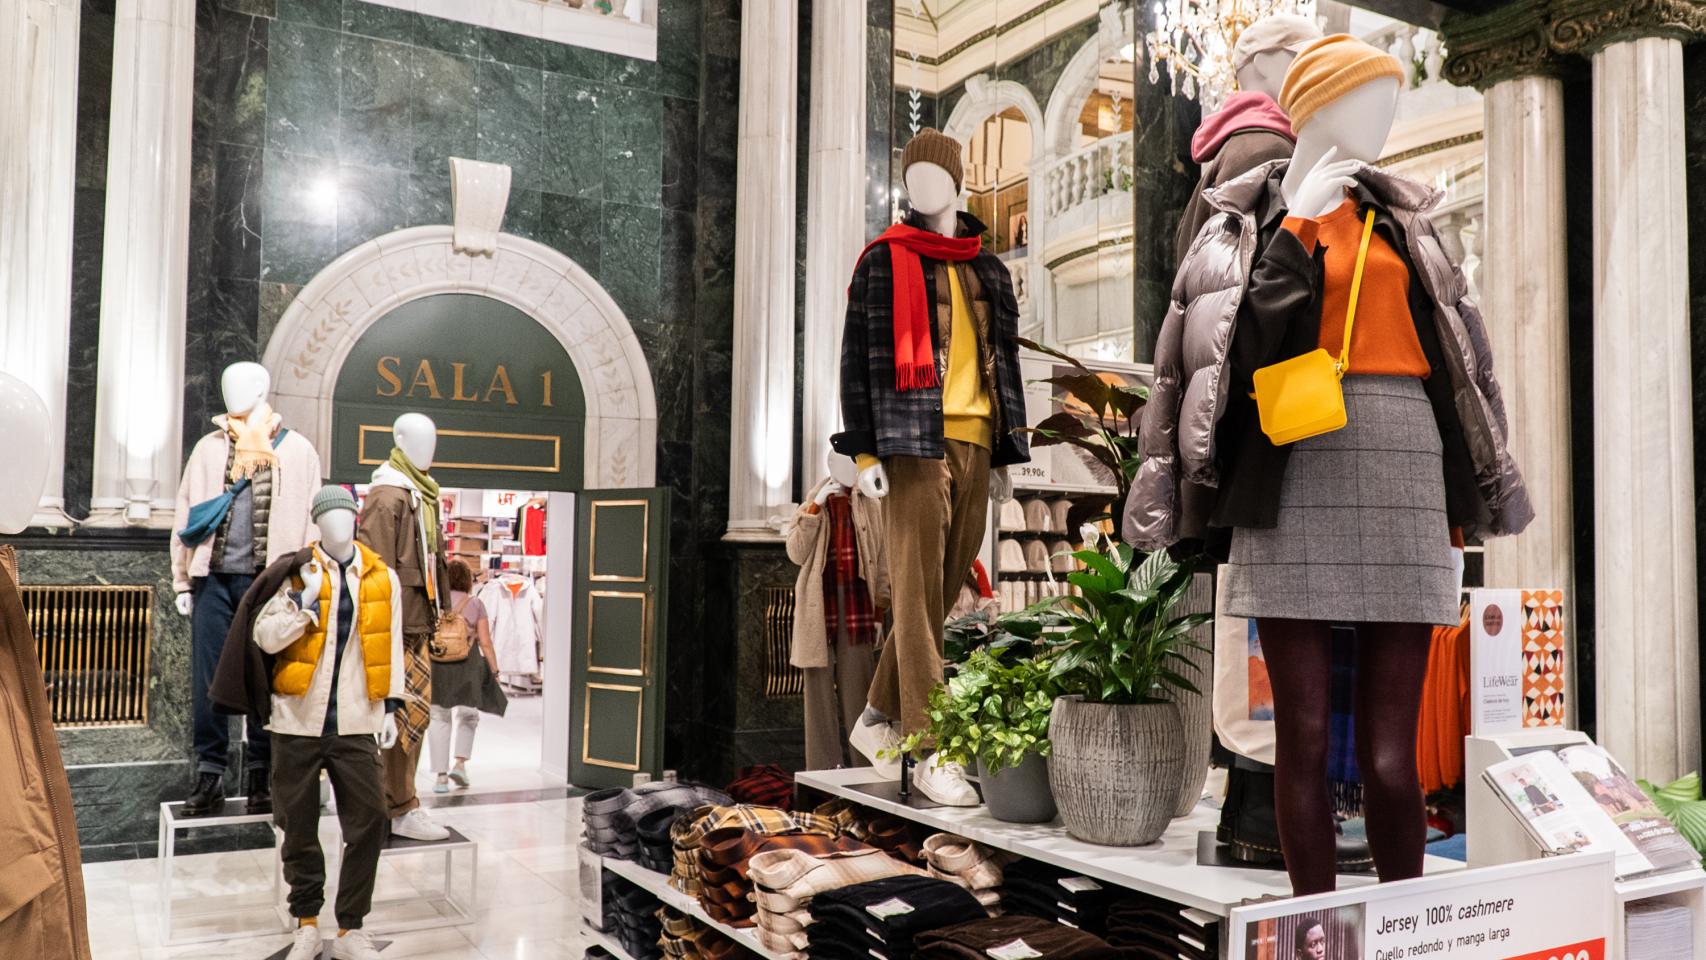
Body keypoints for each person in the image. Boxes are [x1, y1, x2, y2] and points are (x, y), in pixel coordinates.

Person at [429, 560, 507, 793]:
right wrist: (494, 670)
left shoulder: (435, 605)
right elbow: (485, 642)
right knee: (468, 715)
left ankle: (441, 777)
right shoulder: (475, 604)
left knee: (439, 717)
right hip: (468, 666)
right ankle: (460, 764)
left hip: (439, 665)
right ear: (467, 580)